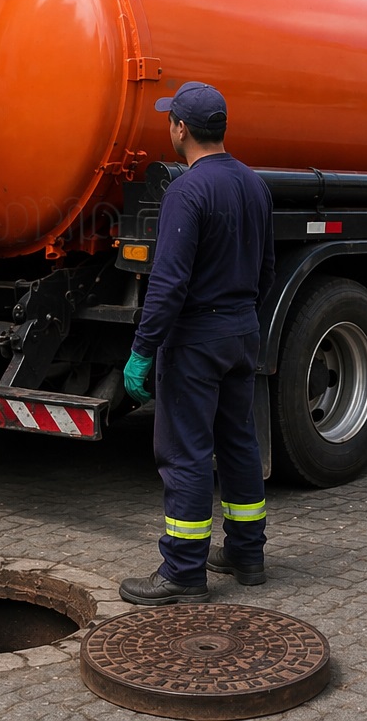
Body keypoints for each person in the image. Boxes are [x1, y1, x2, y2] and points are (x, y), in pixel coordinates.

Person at [118, 81, 275, 606]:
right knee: (238, 442)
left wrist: (143, 349)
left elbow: (168, 283)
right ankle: (247, 554)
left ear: (181, 128)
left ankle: (183, 571)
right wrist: (242, 319)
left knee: (185, 452)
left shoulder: (187, 191)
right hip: (241, 332)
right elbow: (267, 269)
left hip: (196, 341)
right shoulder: (255, 185)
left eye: (171, 120)